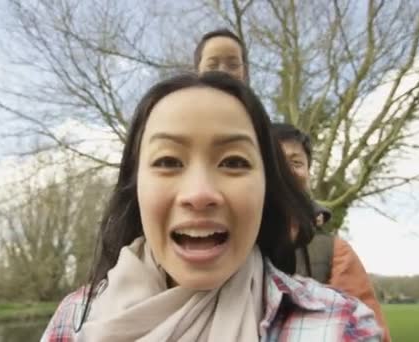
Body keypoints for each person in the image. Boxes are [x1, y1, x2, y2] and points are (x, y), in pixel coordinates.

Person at [41, 72, 382, 341]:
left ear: (267, 188)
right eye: (169, 161)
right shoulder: (73, 322)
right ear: (136, 187)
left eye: (234, 162)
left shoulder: (341, 327)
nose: (200, 194)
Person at [272, 122, 391, 342]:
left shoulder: (333, 251)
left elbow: (370, 331)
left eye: (296, 162)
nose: (286, 171)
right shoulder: (228, 241)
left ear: (308, 173)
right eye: (274, 161)